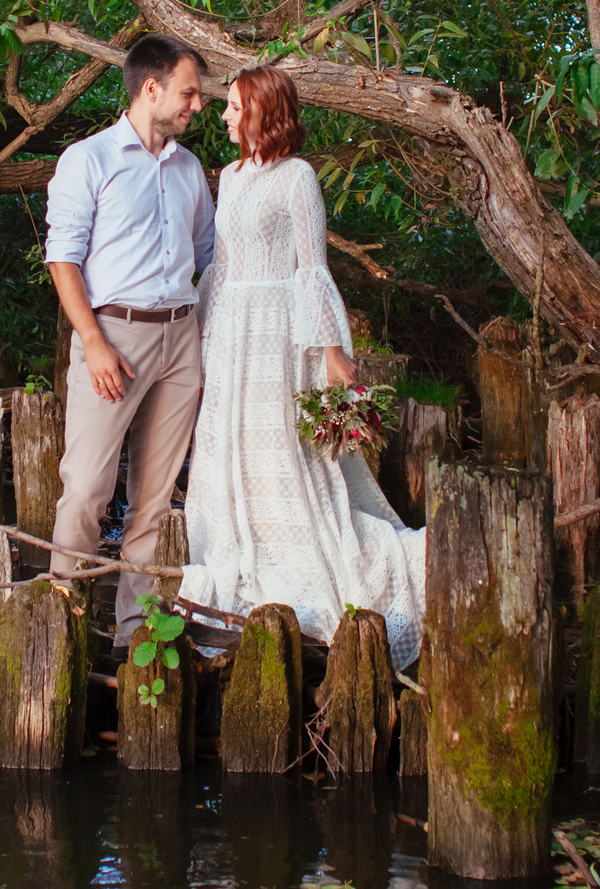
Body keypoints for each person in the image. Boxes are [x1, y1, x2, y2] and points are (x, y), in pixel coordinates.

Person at [180, 66, 426, 667]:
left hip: (279, 331)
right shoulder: (229, 176)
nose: (225, 115)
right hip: (233, 329)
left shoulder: (299, 178)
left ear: (264, 111)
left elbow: (311, 268)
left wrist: (333, 350)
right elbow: (223, 265)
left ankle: (327, 575)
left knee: (284, 453)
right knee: (226, 447)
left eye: (235, 106)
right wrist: (202, 338)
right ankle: (235, 566)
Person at [43, 34, 214, 645]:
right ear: (152, 88)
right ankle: (60, 620)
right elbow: (62, 259)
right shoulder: (88, 160)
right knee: (87, 486)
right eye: (189, 93)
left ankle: (134, 632)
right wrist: (92, 342)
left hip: (180, 341)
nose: (197, 105)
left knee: (155, 496)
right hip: (112, 336)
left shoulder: (192, 170)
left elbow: (205, 256)